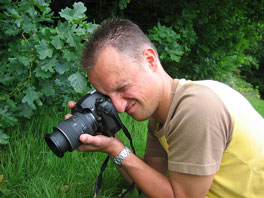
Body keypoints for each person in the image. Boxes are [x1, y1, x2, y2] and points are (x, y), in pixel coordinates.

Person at [66, 18, 264, 198]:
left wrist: (116, 149)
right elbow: (147, 183)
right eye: (107, 97)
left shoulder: (196, 109)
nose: (118, 107)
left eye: (123, 87)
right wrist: (110, 140)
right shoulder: (162, 114)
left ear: (150, 60)